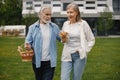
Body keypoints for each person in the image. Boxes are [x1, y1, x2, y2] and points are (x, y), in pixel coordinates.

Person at [60, 3, 95, 80]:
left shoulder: (83, 24)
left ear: (77, 13)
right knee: (64, 78)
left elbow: (91, 40)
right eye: (68, 12)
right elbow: (64, 41)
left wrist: (84, 50)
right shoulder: (65, 24)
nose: (69, 14)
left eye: (71, 12)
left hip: (79, 55)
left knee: (76, 78)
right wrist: (63, 38)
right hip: (67, 54)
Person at [25, 6, 61, 80]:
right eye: (46, 14)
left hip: (50, 61)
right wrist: (28, 46)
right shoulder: (32, 27)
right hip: (37, 61)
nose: (49, 17)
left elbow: (61, 39)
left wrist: (65, 37)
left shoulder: (54, 27)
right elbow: (28, 41)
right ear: (40, 15)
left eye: (50, 14)